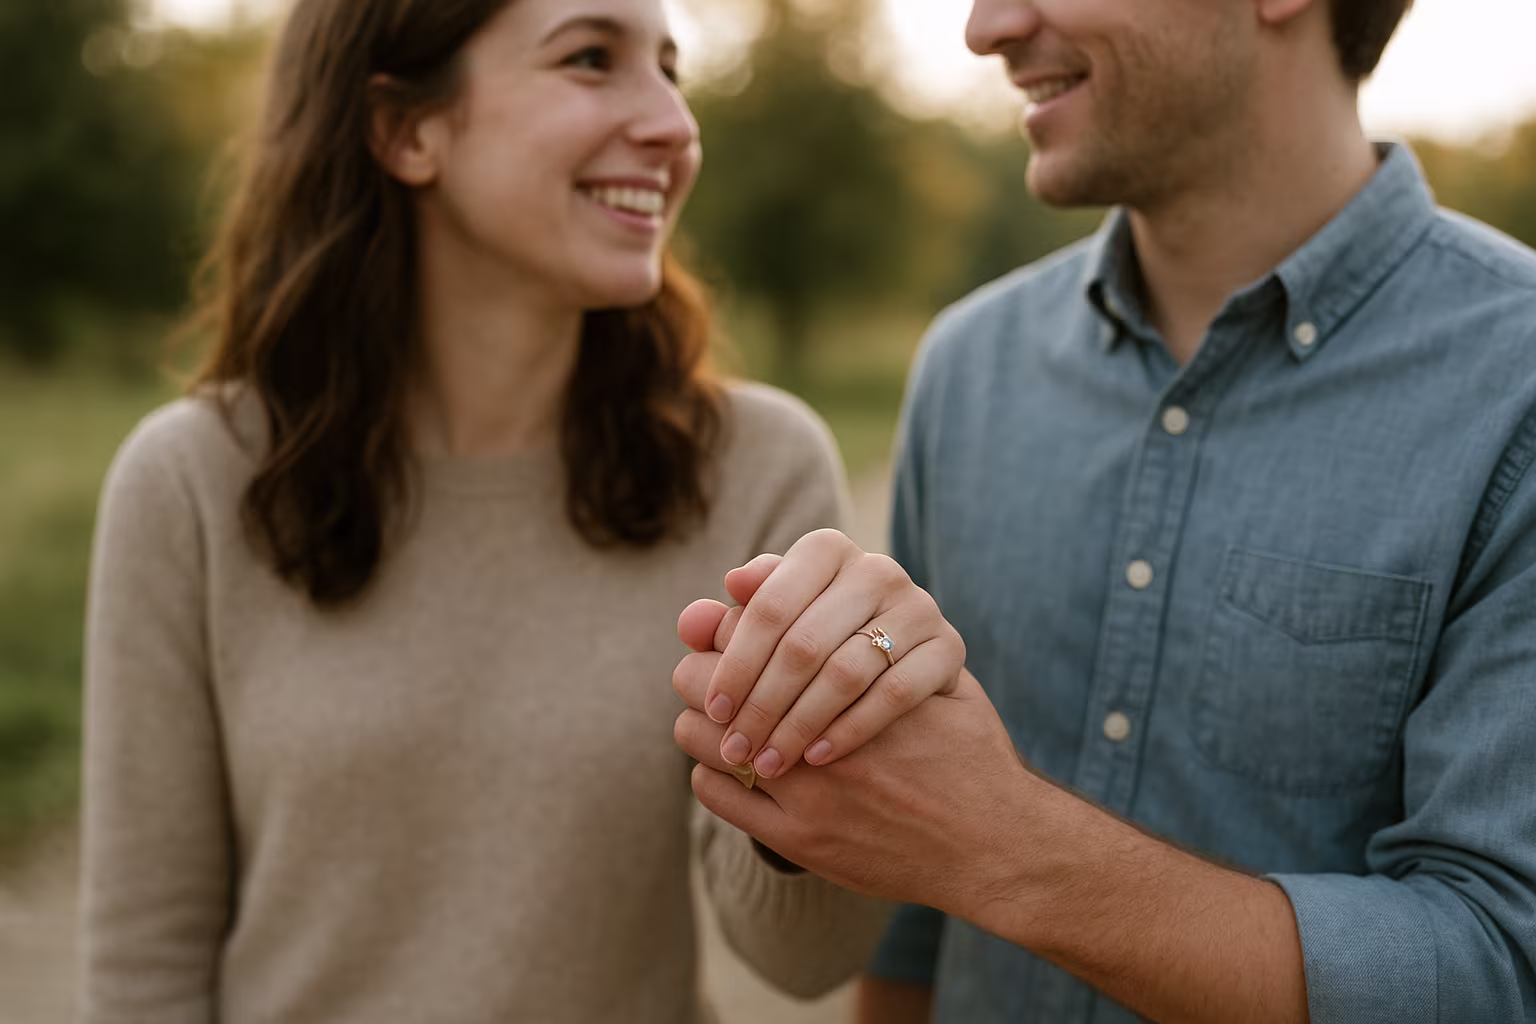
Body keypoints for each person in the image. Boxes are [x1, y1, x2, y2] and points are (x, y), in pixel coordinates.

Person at [77, 0, 964, 1018]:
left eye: (670, 69)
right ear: (407, 130)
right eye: (591, 58)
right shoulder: (191, 482)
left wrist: (801, 784)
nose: (675, 125)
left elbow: (800, 961)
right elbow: (144, 963)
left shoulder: (753, 466)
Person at [671, 0, 1536, 1021]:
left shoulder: (1513, 388)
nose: (985, 28)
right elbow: (911, 924)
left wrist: (996, 842)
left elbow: (1499, 965)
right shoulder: (969, 368)